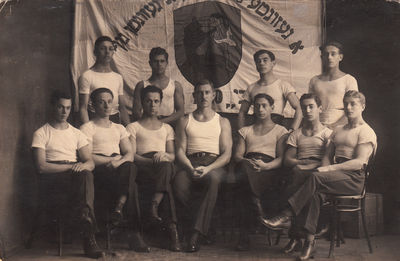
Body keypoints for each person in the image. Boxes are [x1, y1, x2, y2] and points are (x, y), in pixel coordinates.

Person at [260, 91, 377, 260]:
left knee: (314, 178)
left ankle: (286, 214)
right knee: (313, 192)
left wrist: (328, 170)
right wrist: (324, 168)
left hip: (354, 179)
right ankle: (309, 243)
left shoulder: (366, 131)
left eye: (353, 104)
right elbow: (327, 157)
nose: (349, 107)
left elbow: (359, 163)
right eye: (346, 103)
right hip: (337, 175)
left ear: (363, 107)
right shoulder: (338, 130)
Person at [32, 90, 104, 259]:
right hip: (52, 179)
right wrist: (71, 166)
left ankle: (85, 218)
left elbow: (90, 162)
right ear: (52, 107)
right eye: (60, 107)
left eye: (68, 108)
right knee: (84, 176)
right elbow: (41, 167)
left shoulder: (77, 133)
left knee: (86, 174)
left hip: (74, 177)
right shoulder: (41, 133)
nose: (65, 112)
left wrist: (82, 165)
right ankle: (89, 236)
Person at [80, 88, 149, 252]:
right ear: (92, 105)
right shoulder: (87, 127)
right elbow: (88, 157)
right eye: (101, 102)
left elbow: (130, 154)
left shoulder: (119, 128)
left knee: (130, 166)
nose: (106, 105)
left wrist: (118, 163)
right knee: (132, 184)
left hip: (118, 169)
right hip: (99, 171)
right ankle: (134, 234)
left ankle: (119, 207)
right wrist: (114, 160)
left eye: (109, 101)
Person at [173, 79, 232, 252]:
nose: (203, 96)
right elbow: (179, 151)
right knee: (178, 184)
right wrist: (191, 168)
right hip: (190, 162)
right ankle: (205, 228)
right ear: (194, 96)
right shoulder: (185, 120)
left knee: (213, 181)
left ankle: (195, 234)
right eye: (200, 93)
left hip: (213, 164)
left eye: (207, 92)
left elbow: (227, 154)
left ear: (213, 95)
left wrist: (208, 168)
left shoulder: (223, 122)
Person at [126, 85, 182, 252]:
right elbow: (132, 155)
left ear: (160, 103)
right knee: (167, 188)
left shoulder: (167, 128)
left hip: (162, 166)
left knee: (167, 165)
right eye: (148, 101)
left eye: (156, 101)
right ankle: (172, 232)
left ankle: (154, 206)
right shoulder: (133, 127)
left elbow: (172, 155)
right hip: (143, 166)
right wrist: (151, 161)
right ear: (142, 102)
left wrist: (164, 156)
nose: (152, 104)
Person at [234, 93, 288, 251]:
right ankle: (259, 213)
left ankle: (244, 236)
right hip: (248, 165)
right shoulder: (245, 130)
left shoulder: (280, 131)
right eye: (257, 105)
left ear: (272, 107)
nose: (260, 109)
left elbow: (281, 158)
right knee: (244, 172)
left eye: (264, 105)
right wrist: (247, 162)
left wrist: (265, 166)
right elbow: (238, 155)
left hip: (269, 170)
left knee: (243, 186)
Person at [281, 93, 332, 254]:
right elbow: (288, 159)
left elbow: (326, 161)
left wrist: (311, 166)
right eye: (304, 107)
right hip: (300, 171)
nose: (307, 110)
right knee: (296, 177)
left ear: (320, 108)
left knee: (305, 182)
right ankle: (303, 241)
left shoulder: (328, 133)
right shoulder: (297, 134)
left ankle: (295, 237)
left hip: (319, 174)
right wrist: (301, 163)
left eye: (311, 106)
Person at [238, 49, 302, 130]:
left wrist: (293, 129)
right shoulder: (251, 87)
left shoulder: (283, 85)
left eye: (265, 60)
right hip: (256, 129)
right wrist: (242, 132)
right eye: (258, 61)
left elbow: (299, 107)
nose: (261, 63)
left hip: (276, 129)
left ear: (273, 63)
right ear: (256, 65)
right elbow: (242, 112)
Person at [79, 36, 130, 125]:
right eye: (103, 49)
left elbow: (122, 108)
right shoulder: (87, 76)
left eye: (110, 49)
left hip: (114, 122)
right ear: (95, 52)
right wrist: (88, 130)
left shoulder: (118, 77)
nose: (107, 52)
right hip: (94, 121)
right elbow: (83, 108)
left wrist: (129, 129)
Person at [309, 41, 358, 129]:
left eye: (333, 54)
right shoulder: (314, 81)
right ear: (321, 57)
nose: (329, 57)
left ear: (340, 57)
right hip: (319, 126)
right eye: (326, 54)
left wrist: (334, 126)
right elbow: (310, 106)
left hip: (343, 125)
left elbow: (354, 107)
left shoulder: (349, 80)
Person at [132, 47, 184, 125]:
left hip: (170, 123)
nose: (159, 64)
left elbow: (180, 112)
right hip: (148, 123)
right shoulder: (142, 85)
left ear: (167, 63)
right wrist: (149, 123)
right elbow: (136, 112)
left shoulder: (175, 85)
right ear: (150, 63)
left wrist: (160, 122)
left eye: (162, 61)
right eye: (155, 61)